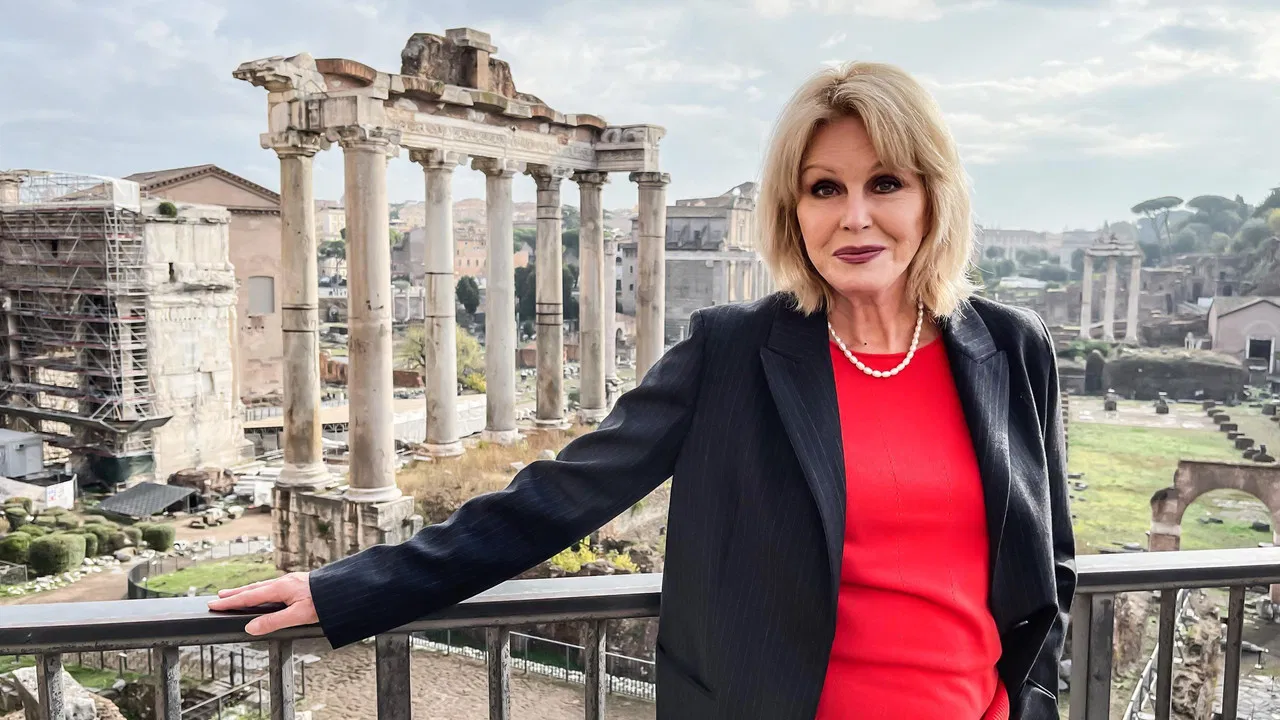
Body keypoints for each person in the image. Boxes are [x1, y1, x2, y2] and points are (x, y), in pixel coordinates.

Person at [210, 61, 1076, 720]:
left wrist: (1031, 698)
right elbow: (559, 496)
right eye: (824, 188)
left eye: (885, 183)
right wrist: (350, 589)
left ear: (932, 197)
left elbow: (1049, 561)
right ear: (793, 211)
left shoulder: (1010, 346)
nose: (854, 216)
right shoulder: (733, 351)